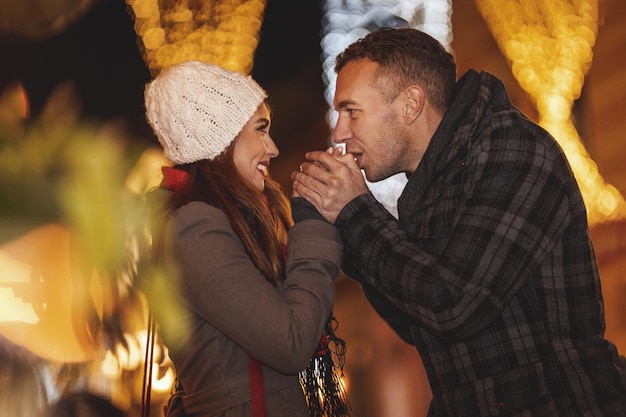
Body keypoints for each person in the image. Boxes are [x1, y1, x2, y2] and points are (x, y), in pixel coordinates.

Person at [292, 27, 626, 416]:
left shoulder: (512, 149)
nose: (339, 133)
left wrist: (354, 211)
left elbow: (452, 304)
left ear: (410, 104)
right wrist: (342, 222)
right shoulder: (430, 183)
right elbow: (414, 320)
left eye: (352, 111)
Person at [143, 61, 349, 417]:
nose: (273, 148)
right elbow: (290, 343)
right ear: (222, 137)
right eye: (261, 129)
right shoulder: (195, 225)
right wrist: (313, 224)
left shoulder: (221, 218)